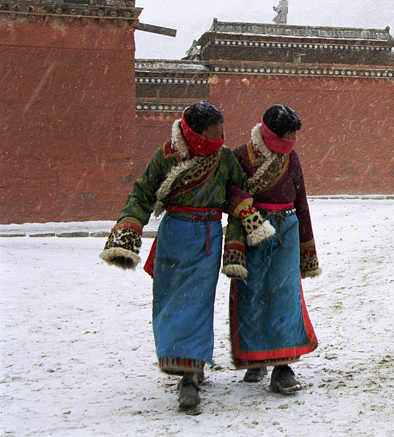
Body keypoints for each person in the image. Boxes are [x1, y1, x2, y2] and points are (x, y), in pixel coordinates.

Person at [99, 101, 274, 411]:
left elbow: (238, 191)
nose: (219, 142)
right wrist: (128, 230)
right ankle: (185, 362)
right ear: (192, 134)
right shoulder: (166, 156)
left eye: (222, 135)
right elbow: (142, 193)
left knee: (197, 303)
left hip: (207, 237)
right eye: (211, 136)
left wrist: (242, 226)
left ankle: (190, 375)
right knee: (169, 303)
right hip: (173, 238)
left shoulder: (223, 160)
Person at [228, 104, 320, 394]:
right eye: (287, 137)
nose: (291, 144)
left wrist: (307, 248)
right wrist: (245, 209)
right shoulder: (241, 156)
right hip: (253, 232)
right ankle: (257, 357)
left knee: (284, 296)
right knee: (252, 295)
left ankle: (283, 367)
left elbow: (301, 200)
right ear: (269, 133)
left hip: (288, 232)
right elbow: (228, 191)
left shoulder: (291, 158)